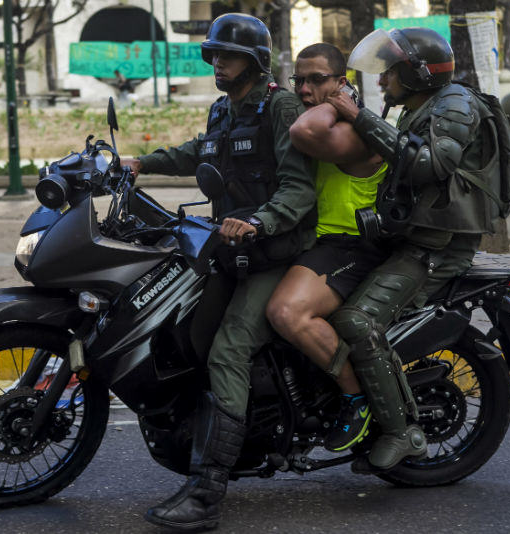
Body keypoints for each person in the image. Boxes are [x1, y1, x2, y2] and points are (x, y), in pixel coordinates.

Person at [121, 13, 316, 531]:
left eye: (226, 56)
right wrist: (139, 163)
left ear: (253, 61)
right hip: (232, 252)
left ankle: (207, 492)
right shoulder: (222, 110)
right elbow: (198, 154)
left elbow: (298, 188)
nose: (217, 63)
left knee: (229, 348)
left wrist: (258, 222)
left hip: (278, 254)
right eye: (214, 55)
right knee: (186, 332)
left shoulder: (281, 107)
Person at [298, 27, 506, 473]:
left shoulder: (454, 102)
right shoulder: (421, 107)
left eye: (390, 72)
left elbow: (433, 165)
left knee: (356, 320)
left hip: (439, 247)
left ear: (417, 72)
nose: (381, 81)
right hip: (414, 237)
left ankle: (400, 431)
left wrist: (360, 117)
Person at [265, 43, 389, 453]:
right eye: (298, 80)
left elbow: (303, 129)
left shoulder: (351, 132)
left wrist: (341, 103)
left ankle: (355, 398)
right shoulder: (323, 121)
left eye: (317, 80)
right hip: (318, 243)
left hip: (351, 245)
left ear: (342, 83)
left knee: (286, 312)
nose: (303, 89)